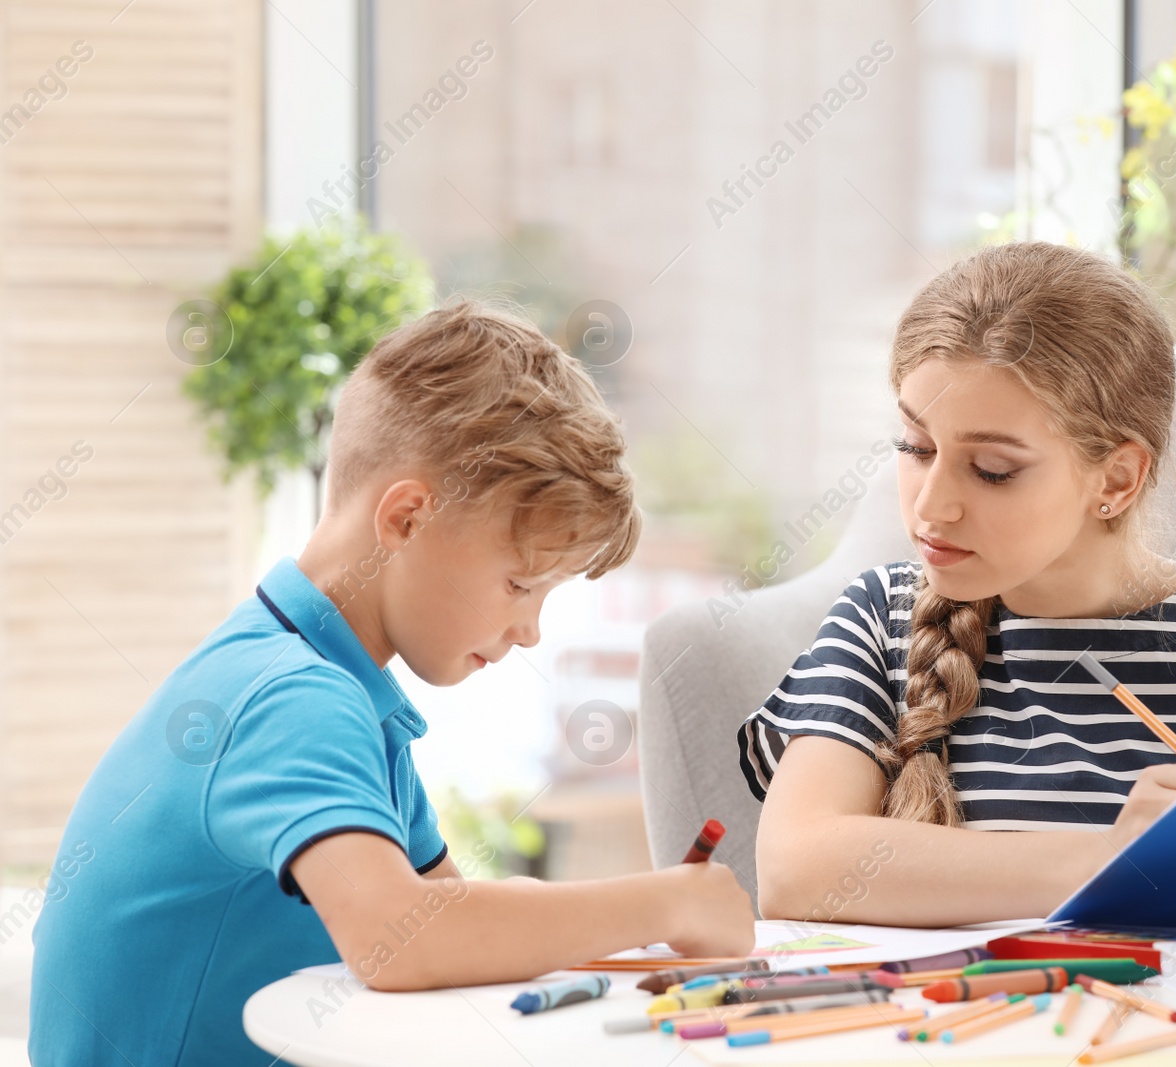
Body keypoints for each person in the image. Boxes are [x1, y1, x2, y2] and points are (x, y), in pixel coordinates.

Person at [31, 301, 754, 1067]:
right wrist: (665, 901)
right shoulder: (289, 696)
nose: (531, 629)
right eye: (520, 583)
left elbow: (458, 929)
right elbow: (401, 936)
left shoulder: (342, 695)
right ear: (407, 519)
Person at [739, 242, 1176, 945]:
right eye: (916, 447)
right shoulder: (880, 623)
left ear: (1117, 480)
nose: (931, 508)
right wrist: (1120, 860)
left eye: (992, 470)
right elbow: (795, 868)